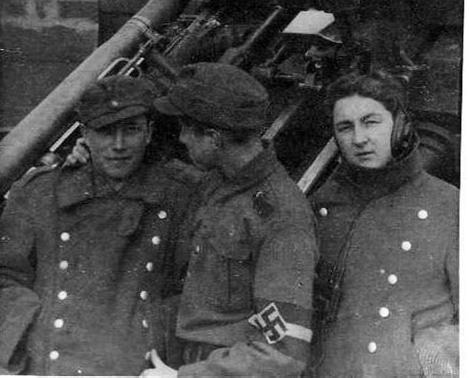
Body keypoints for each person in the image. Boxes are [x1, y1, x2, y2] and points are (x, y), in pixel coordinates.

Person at [0, 75, 192, 375]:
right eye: (105, 132)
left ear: (149, 133)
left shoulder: (179, 196)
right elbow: (5, 276)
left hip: (139, 363)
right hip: (50, 362)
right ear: (84, 134)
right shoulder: (40, 191)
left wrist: (155, 336)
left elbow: (192, 289)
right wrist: (32, 333)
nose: (119, 145)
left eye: (131, 130)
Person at [144, 62, 317, 378]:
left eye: (185, 128)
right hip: (190, 358)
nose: (181, 138)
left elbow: (283, 354)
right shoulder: (220, 182)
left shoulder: (281, 218)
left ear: (213, 138)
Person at [308, 72, 459, 378]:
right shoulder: (322, 204)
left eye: (371, 122)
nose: (359, 139)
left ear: (400, 125)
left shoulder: (449, 205)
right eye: (345, 128)